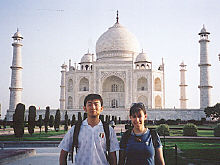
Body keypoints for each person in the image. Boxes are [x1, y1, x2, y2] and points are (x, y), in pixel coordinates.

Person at [59, 94, 119, 165]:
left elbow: (112, 156)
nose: (93, 107)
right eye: (89, 104)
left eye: (96, 104)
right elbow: (63, 154)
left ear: (101, 108)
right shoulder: (76, 129)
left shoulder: (108, 130)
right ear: (84, 108)